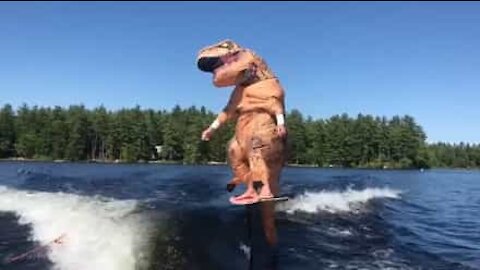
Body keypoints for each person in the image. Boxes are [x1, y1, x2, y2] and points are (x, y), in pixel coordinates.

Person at [197, 39, 287, 206]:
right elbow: (228, 111)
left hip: (264, 127)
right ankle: (252, 189)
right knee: (233, 150)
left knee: (257, 148)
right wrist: (212, 129)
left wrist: (281, 123)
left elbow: (275, 104)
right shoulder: (239, 91)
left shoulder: (267, 83)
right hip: (243, 130)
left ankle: (265, 190)